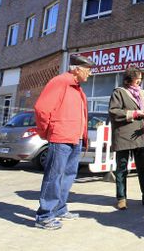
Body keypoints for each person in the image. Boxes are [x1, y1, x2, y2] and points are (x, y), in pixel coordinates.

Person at [34, 55, 95, 230]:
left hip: (75, 138)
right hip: (61, 138)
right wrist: (47, 131)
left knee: (68, 176)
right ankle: (44, 215)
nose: (90, 74)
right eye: (88, 70)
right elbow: (41, 109)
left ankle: (59, 208)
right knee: (54, 176)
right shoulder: (60, 82)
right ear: (77, 69)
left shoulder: (77, 89)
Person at [108, 66, 144, 210]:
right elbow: (114, 112)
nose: (139, 80)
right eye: (137, 77)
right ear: (129, 78)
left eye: (141, 78)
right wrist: (136, 113)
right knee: (122, 169)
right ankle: (121, 198)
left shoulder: (142, 94)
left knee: (143, 168)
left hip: (140, 136)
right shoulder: (119, 92)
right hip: (124, 136)